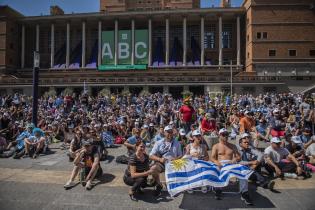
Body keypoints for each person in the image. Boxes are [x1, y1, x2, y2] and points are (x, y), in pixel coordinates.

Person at [211, 128, 252, 205]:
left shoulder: (232, 146)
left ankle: (244, 192)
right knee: (215, 169)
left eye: (227, 134)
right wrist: (217, 163)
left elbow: (239, 156)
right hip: (220, 163)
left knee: (243, 172)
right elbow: (212, 158)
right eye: (223, 134)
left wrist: (235, 159)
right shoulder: (216, 146)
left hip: (230, 164)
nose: (226, 136)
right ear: (219, 135)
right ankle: (218, 189)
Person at [149, 125, 183, 196]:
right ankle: (159, 185)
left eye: (171, 132)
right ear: (164, 133)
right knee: (153, 169)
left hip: (173, 163)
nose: (169, 134)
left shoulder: (177, 143)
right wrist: (160, 159)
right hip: (162, 162)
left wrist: (175, 159)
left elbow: (180, 155)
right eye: (168, 132)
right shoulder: (159, 142)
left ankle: (174, 186)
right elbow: (151, 155)